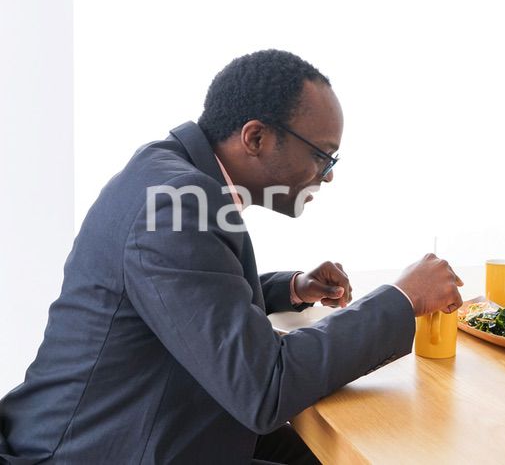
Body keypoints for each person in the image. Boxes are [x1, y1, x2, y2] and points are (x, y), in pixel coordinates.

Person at [0, 50, 463, 464]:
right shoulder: (176, 204)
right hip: (109, 448)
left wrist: (292, 287)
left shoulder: (170, 175)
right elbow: (265, 386)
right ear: (256, 137)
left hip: (162, 424)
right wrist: (403, 298)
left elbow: (185, 297)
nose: (327, 176)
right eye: (324, 156)